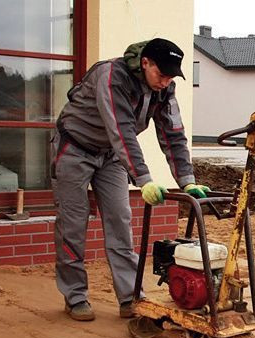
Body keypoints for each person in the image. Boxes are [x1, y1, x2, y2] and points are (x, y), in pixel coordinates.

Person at [51, 38, 210, 321]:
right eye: (161, 75)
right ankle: (75, 297)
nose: (165, 82)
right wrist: (144, 179)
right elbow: (121, 131)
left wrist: (187, 180)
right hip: (74, 147)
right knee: (73, 225)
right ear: (145, 63)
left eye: (171, 76)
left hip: (110, 155)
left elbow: (173, 134)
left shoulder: (165, 89)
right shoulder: (112, 76)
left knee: (120, 222)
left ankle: (129, 296)